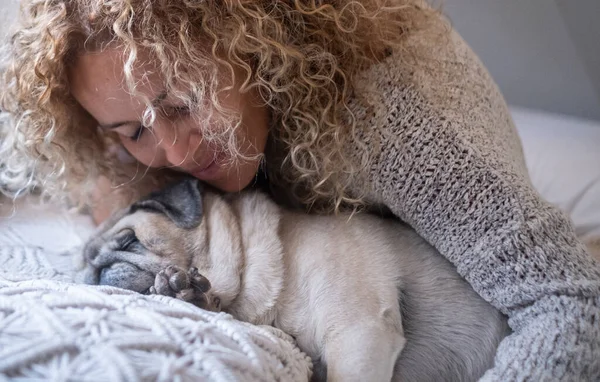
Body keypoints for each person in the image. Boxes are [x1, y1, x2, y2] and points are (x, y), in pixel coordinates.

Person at [0, 1, 598, 380]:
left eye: (182, 104)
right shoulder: (165, 138)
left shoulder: (400, 125)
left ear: (248, 41)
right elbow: (111, 195)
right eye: (133, 131)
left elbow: (570, 299)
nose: (176, 153)